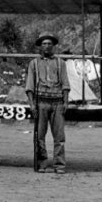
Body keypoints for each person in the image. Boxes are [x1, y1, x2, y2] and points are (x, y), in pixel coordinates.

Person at [26, 31, 70, 174]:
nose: (47, 46)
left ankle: (59, 166)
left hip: (57, 103)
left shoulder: (60, 63)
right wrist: (32, 104)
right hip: (41, 103)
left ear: (53, 46)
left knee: (59, 137)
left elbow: (65, 84)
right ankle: (41, 164)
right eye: (44, 44)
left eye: (49, 44)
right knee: (39, 137)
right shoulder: (34, 63)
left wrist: (65, 102)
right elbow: (29, 86)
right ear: (40, 46)